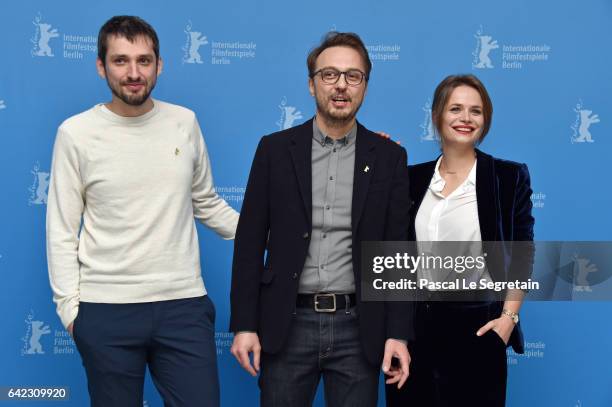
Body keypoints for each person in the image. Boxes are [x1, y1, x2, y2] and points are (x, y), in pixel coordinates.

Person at [46, 15, 239, 407]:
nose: (134, 73)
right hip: (106, 310)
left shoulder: (184, 122)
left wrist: (276, 234)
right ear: (101, 66)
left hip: (183, 305)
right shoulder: (75, 133)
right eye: (120, 61)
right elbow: (61, 229)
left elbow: (207, 203)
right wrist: (71, 312)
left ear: (159, 64)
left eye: (144, 60)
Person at [229, 32, 413, 406]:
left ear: (365, 86)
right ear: (311, 85)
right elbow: (249, 244)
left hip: (359, 329)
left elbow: (398, 253)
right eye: (329, 74)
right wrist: (245, 324)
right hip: (287, 323)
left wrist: (398, 334)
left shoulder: (389, 157)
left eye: (353, 76)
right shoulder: (274, 150)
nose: (341, 85)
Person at [386, 74, 534, 407]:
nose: (465, 118)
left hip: (478, 327)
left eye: (475, 111)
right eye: (455, 109)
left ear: (486, 120)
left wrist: (508, 320)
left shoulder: (507, 177)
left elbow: (522, 254)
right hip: (414, 331)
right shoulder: (408, 178)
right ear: (437, 116)